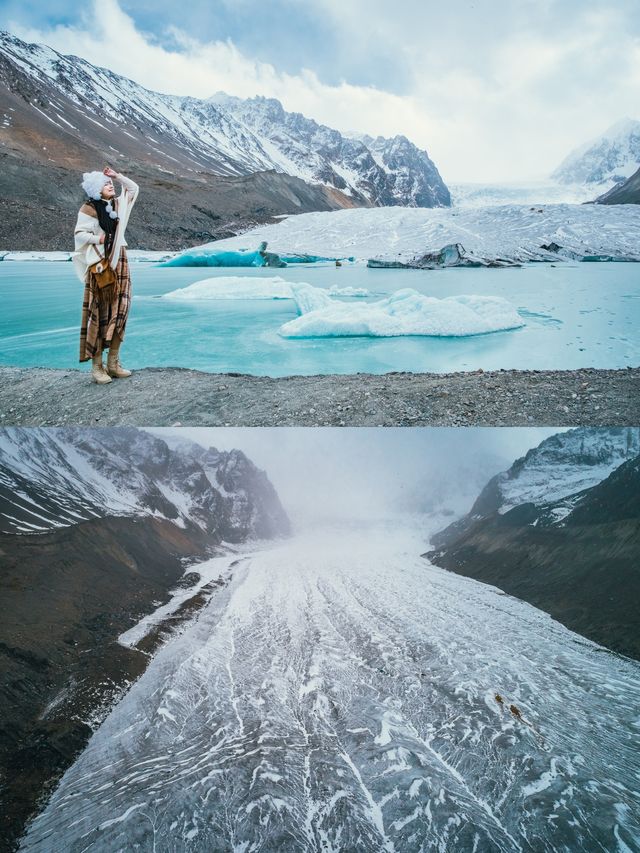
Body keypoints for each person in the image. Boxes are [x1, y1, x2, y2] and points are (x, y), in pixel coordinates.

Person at [72, 167, 139, 384]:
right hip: (100, 264)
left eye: (109, 184)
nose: (109, 186)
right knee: (99, 313)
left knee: (121, 309)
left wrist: (116, 176)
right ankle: (97, 367)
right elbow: (80, 234)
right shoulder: (89, 209)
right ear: (95, 190)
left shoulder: (118, 205)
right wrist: (98, 240)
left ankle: (113, 364)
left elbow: (133, 188)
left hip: (120, 260)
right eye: (105, 184)